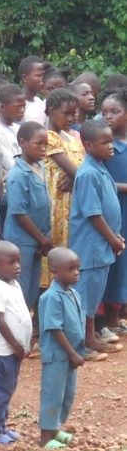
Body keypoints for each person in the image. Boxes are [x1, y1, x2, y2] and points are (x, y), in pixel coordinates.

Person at [69, 121, 126, 358]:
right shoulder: (88, 173)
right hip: (91, 246)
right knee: (84, 297)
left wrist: (115, 235)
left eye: (111, 141)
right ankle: (78, 345)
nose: (110, 146)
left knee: (93, 297)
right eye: (104, 143)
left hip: (102, 245)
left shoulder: (100, 168)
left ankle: (90, 338)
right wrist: (113, 239)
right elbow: (93, 214)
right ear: (88, 145)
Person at [0, 240, 32, 446]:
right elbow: (0, 320)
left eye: (18, 261)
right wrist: (15, 345)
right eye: (11, 262)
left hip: (15, 351)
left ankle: (2, 425)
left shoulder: (14, 284)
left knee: (9, 389)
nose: (17, 266)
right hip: (2, 352)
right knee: (1, 392)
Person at [39, 247, 85, 449]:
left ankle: (55, 428)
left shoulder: (73, 293)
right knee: (53, 393)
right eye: (70, 269)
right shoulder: (51, 297)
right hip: (58, 354)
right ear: (54, 271)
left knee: (67, 393)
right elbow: (55, 329)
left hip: (69, 355)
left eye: (77, 268)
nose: (76, 272)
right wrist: (72, 353)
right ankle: (45, 437)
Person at [3, 122, 52, 313]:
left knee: (32, 288)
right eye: (38, 143)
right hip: (22, 240)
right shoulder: (18, 175)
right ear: (22, 143)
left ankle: (26, 332)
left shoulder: (40, 166)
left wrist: (43, 238)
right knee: (20, 287)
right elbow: (19, 213)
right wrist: (42, 240)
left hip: (39, 240)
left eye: (45, 144)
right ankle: (16, 334)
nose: (43, 148)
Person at [101, 90, 127, 340]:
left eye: (115, 112)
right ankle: (109, 317)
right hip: (116, 209)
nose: (108, 117)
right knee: (116, 261)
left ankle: (119, 314)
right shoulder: (108, 148)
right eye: (104, 112)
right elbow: (103, 181)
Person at [18, 56, 47, 126]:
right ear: (25, 78)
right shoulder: (17, 104)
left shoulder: (39, 102)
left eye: (44, 75)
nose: (43, 79)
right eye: (39, 75)